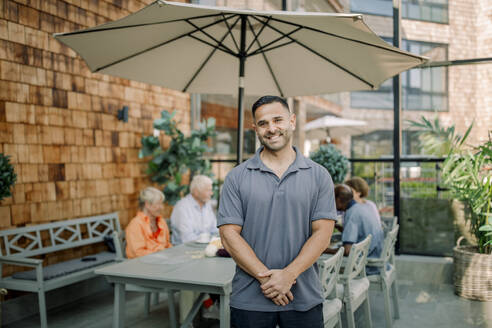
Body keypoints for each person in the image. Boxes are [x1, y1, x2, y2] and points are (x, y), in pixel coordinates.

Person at [218, 95, 336, 328]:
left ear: (292, 121)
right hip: (249, 300)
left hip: (304, 298)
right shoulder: (237, 177)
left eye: (277, 120)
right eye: (263, 123)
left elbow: (323, 234)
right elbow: (229, 236)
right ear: (255, 129)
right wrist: (270, 281)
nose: (271, 129)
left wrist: (288, 275)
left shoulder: (319, 175)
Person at [325, 184, 384, 275]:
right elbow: (358, 233)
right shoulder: (361, 207)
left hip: (366, 266)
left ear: (338, 200)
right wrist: (338, 227)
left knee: (323, 268)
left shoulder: (351, 213)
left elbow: (347, 251)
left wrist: (325, 250)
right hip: (375, 256)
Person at [125, 187, 172, 259]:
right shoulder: (135, 225)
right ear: (147, 205)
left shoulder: (161, 221)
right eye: (158, 204)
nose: (162, 207)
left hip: (161, 261)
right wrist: (160, 252)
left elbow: (167, 245)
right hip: (140, 265)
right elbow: (139, 253)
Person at [170, 175, 218, 245]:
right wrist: (210, 240)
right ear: (196, 192)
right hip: (183, 250)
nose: (211, 193)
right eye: (208, 190)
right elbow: (187, 238)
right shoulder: (182, 207)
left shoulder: (207, 205)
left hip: (204, 247)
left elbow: (214, 229)